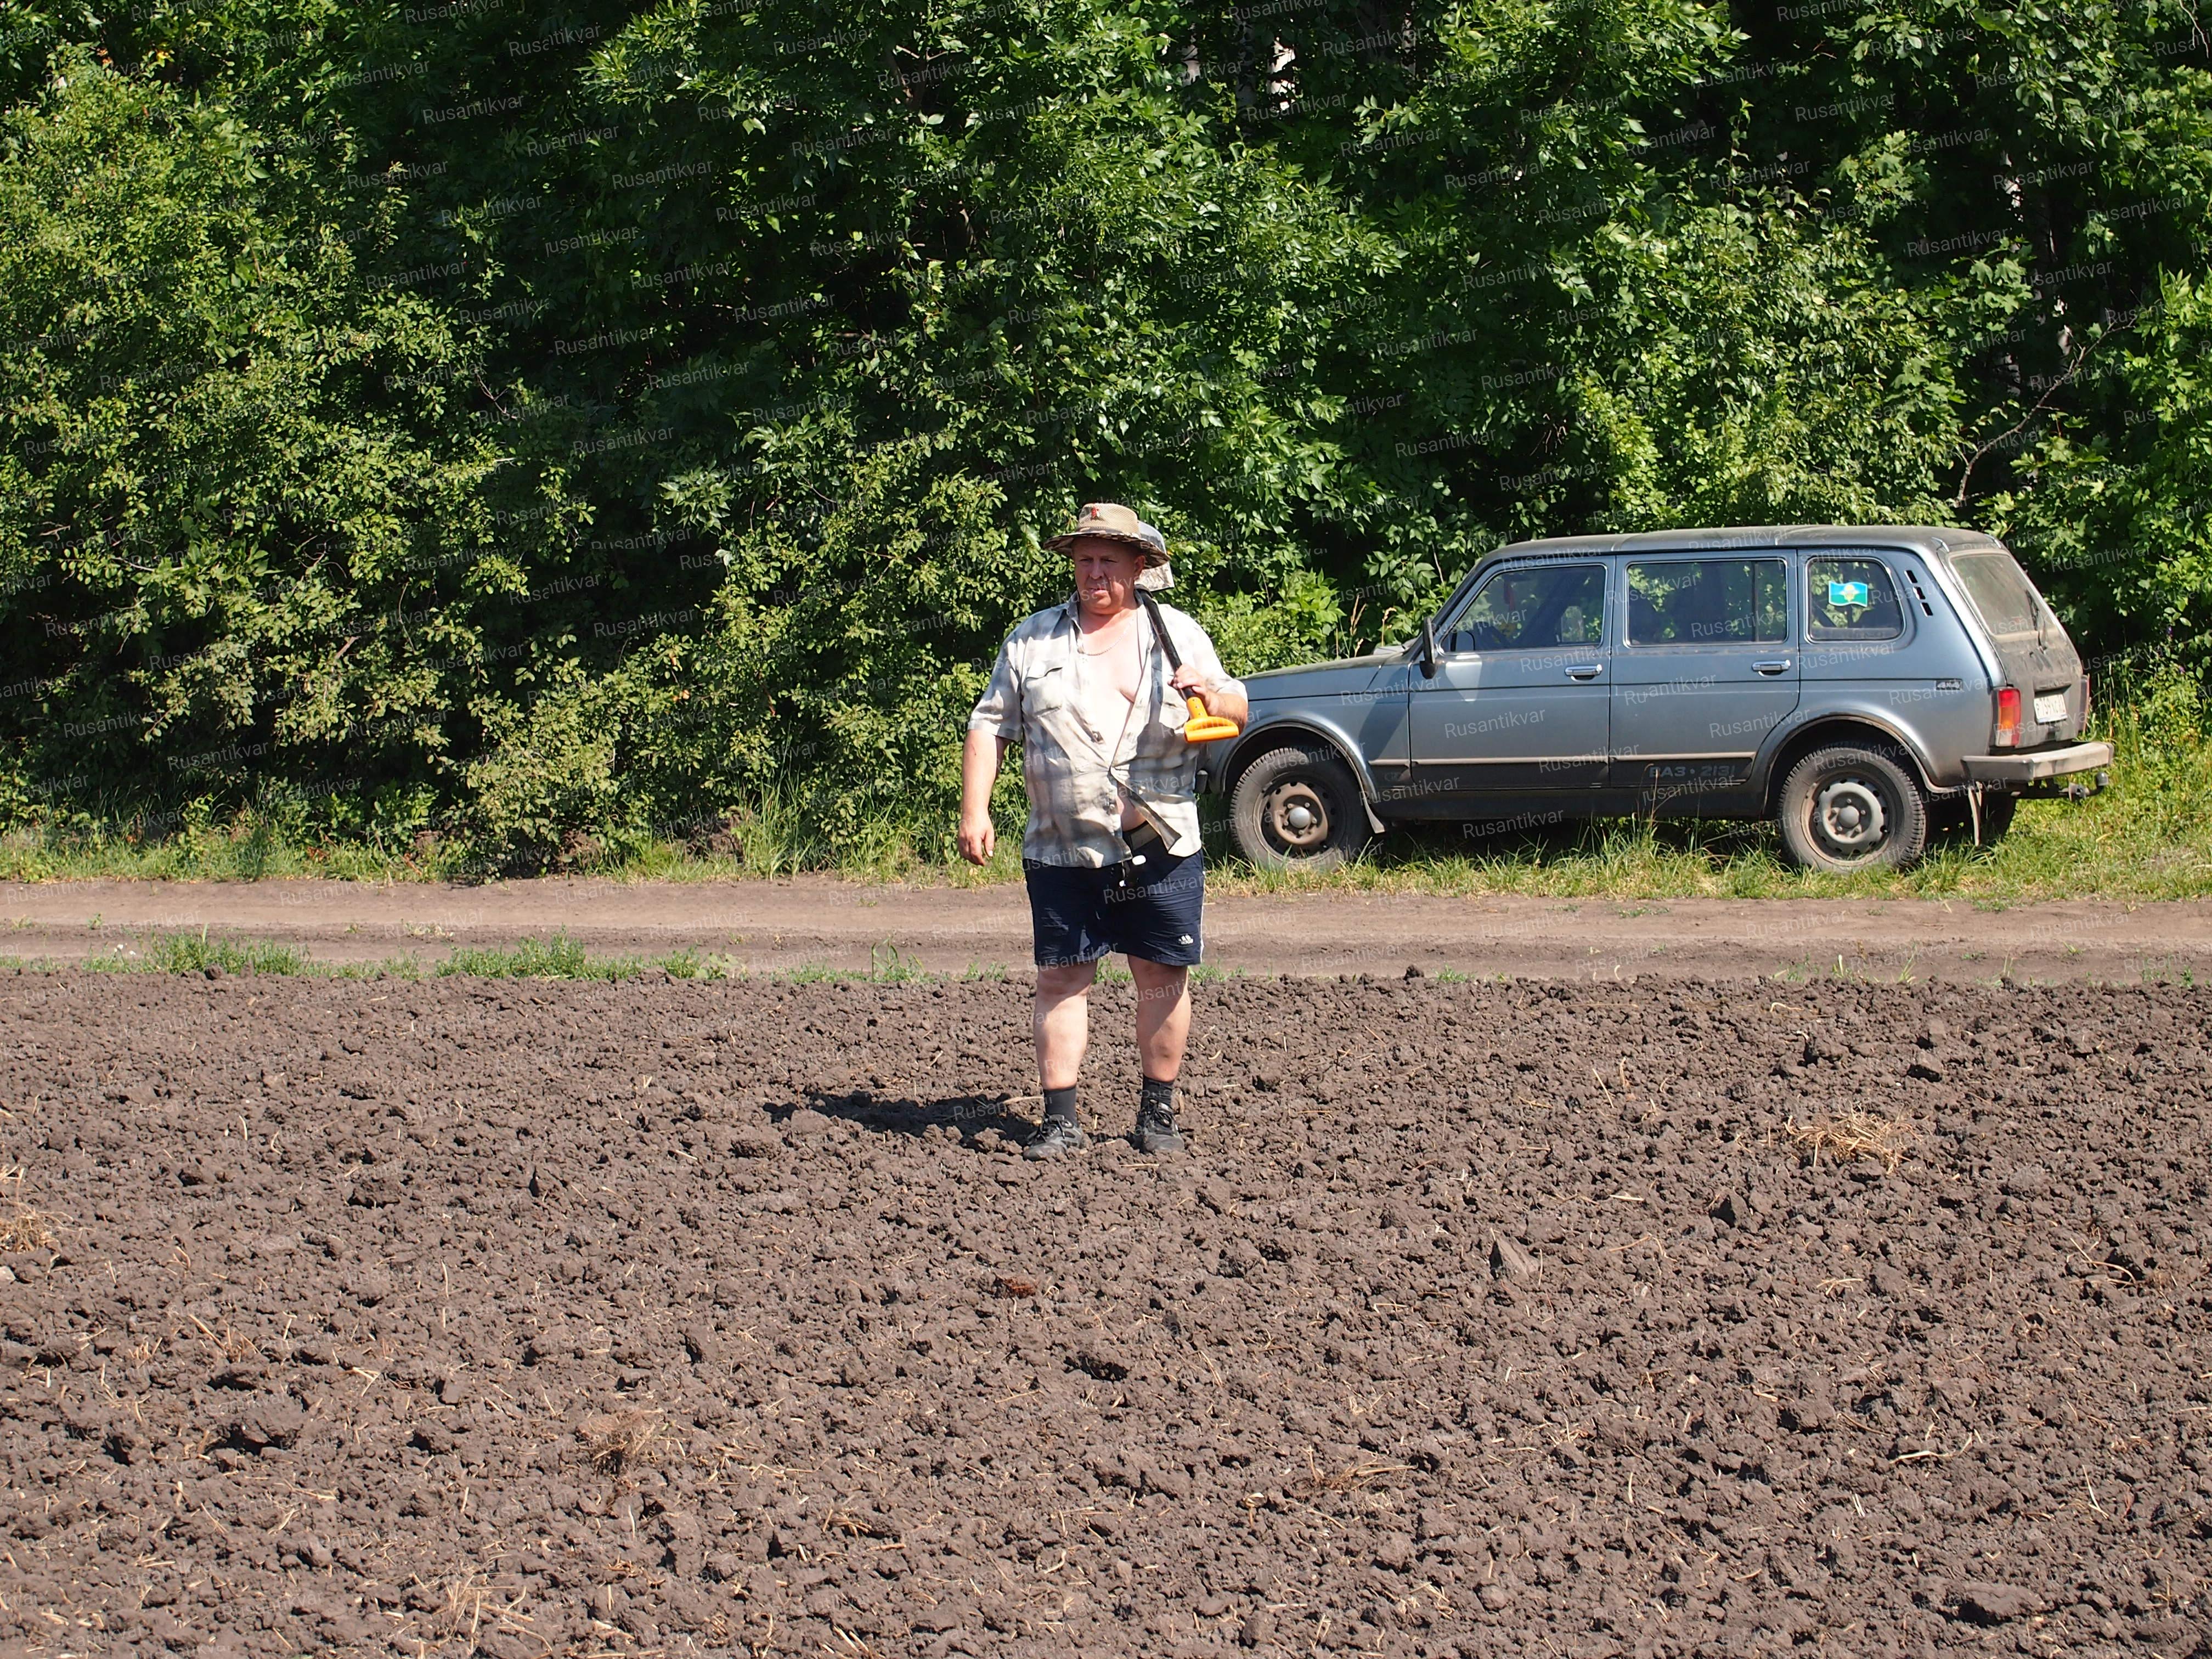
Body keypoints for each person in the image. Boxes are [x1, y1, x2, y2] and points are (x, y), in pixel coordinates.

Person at [958, 502, 1250, 1159]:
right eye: (1084, 559)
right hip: (1061, 846)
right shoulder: (1032, 640)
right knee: (1061, 978)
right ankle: (1060, 1121)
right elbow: (989, 724)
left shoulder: (1177, 635)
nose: (1094, 573)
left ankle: (1158, 1115)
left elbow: (1236, 709)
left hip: (1162, 843)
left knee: (1162, 977)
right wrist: (975, 809)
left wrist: (1211, 694)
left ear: (1139, 566)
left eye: (1108, 561)